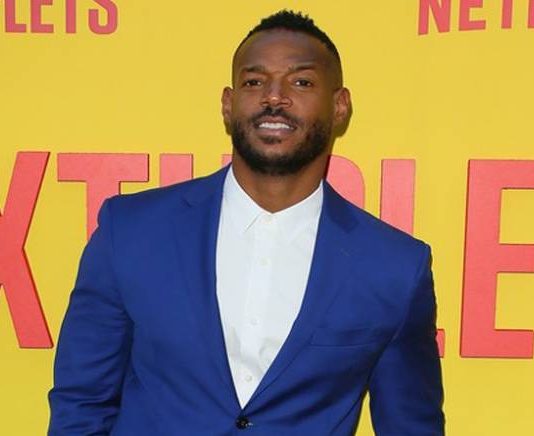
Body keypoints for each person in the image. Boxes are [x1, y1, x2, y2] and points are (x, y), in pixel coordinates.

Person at [48, 10, 444, 435]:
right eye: (254, 82)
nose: (274, 97)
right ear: (228, 103)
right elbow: (81, 404)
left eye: (301, 82)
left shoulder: (394, 267)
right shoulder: (130, 232)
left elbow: (411, 426)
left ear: (340, 106)